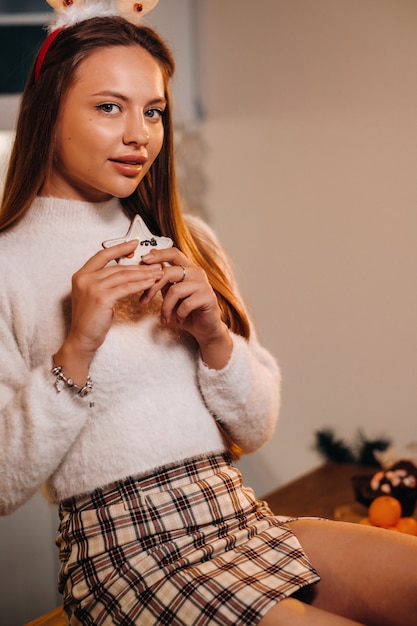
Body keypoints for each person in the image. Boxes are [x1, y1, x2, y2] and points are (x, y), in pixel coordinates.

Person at [0, 4, 416, 625]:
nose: (139, 133)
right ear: (48, 111)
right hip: (126, 556)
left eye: (154, 110)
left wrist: (215, 338)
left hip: (235, 515)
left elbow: (255, 427)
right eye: (109, 106)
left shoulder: (184, 239)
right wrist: (76, 349)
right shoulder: (8, 264)